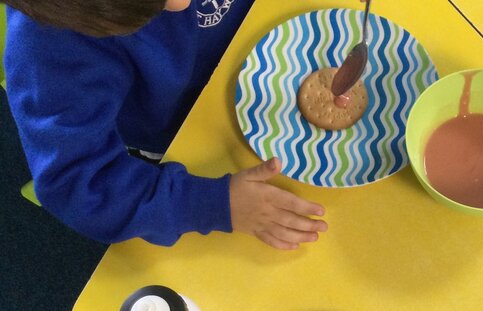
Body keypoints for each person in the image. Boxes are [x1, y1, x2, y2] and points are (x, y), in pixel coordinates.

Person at [2, 0, 328, 250]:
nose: (183, 4)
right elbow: (79, 185)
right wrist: (214, 204)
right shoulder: (48, 49)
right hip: (182, 136)